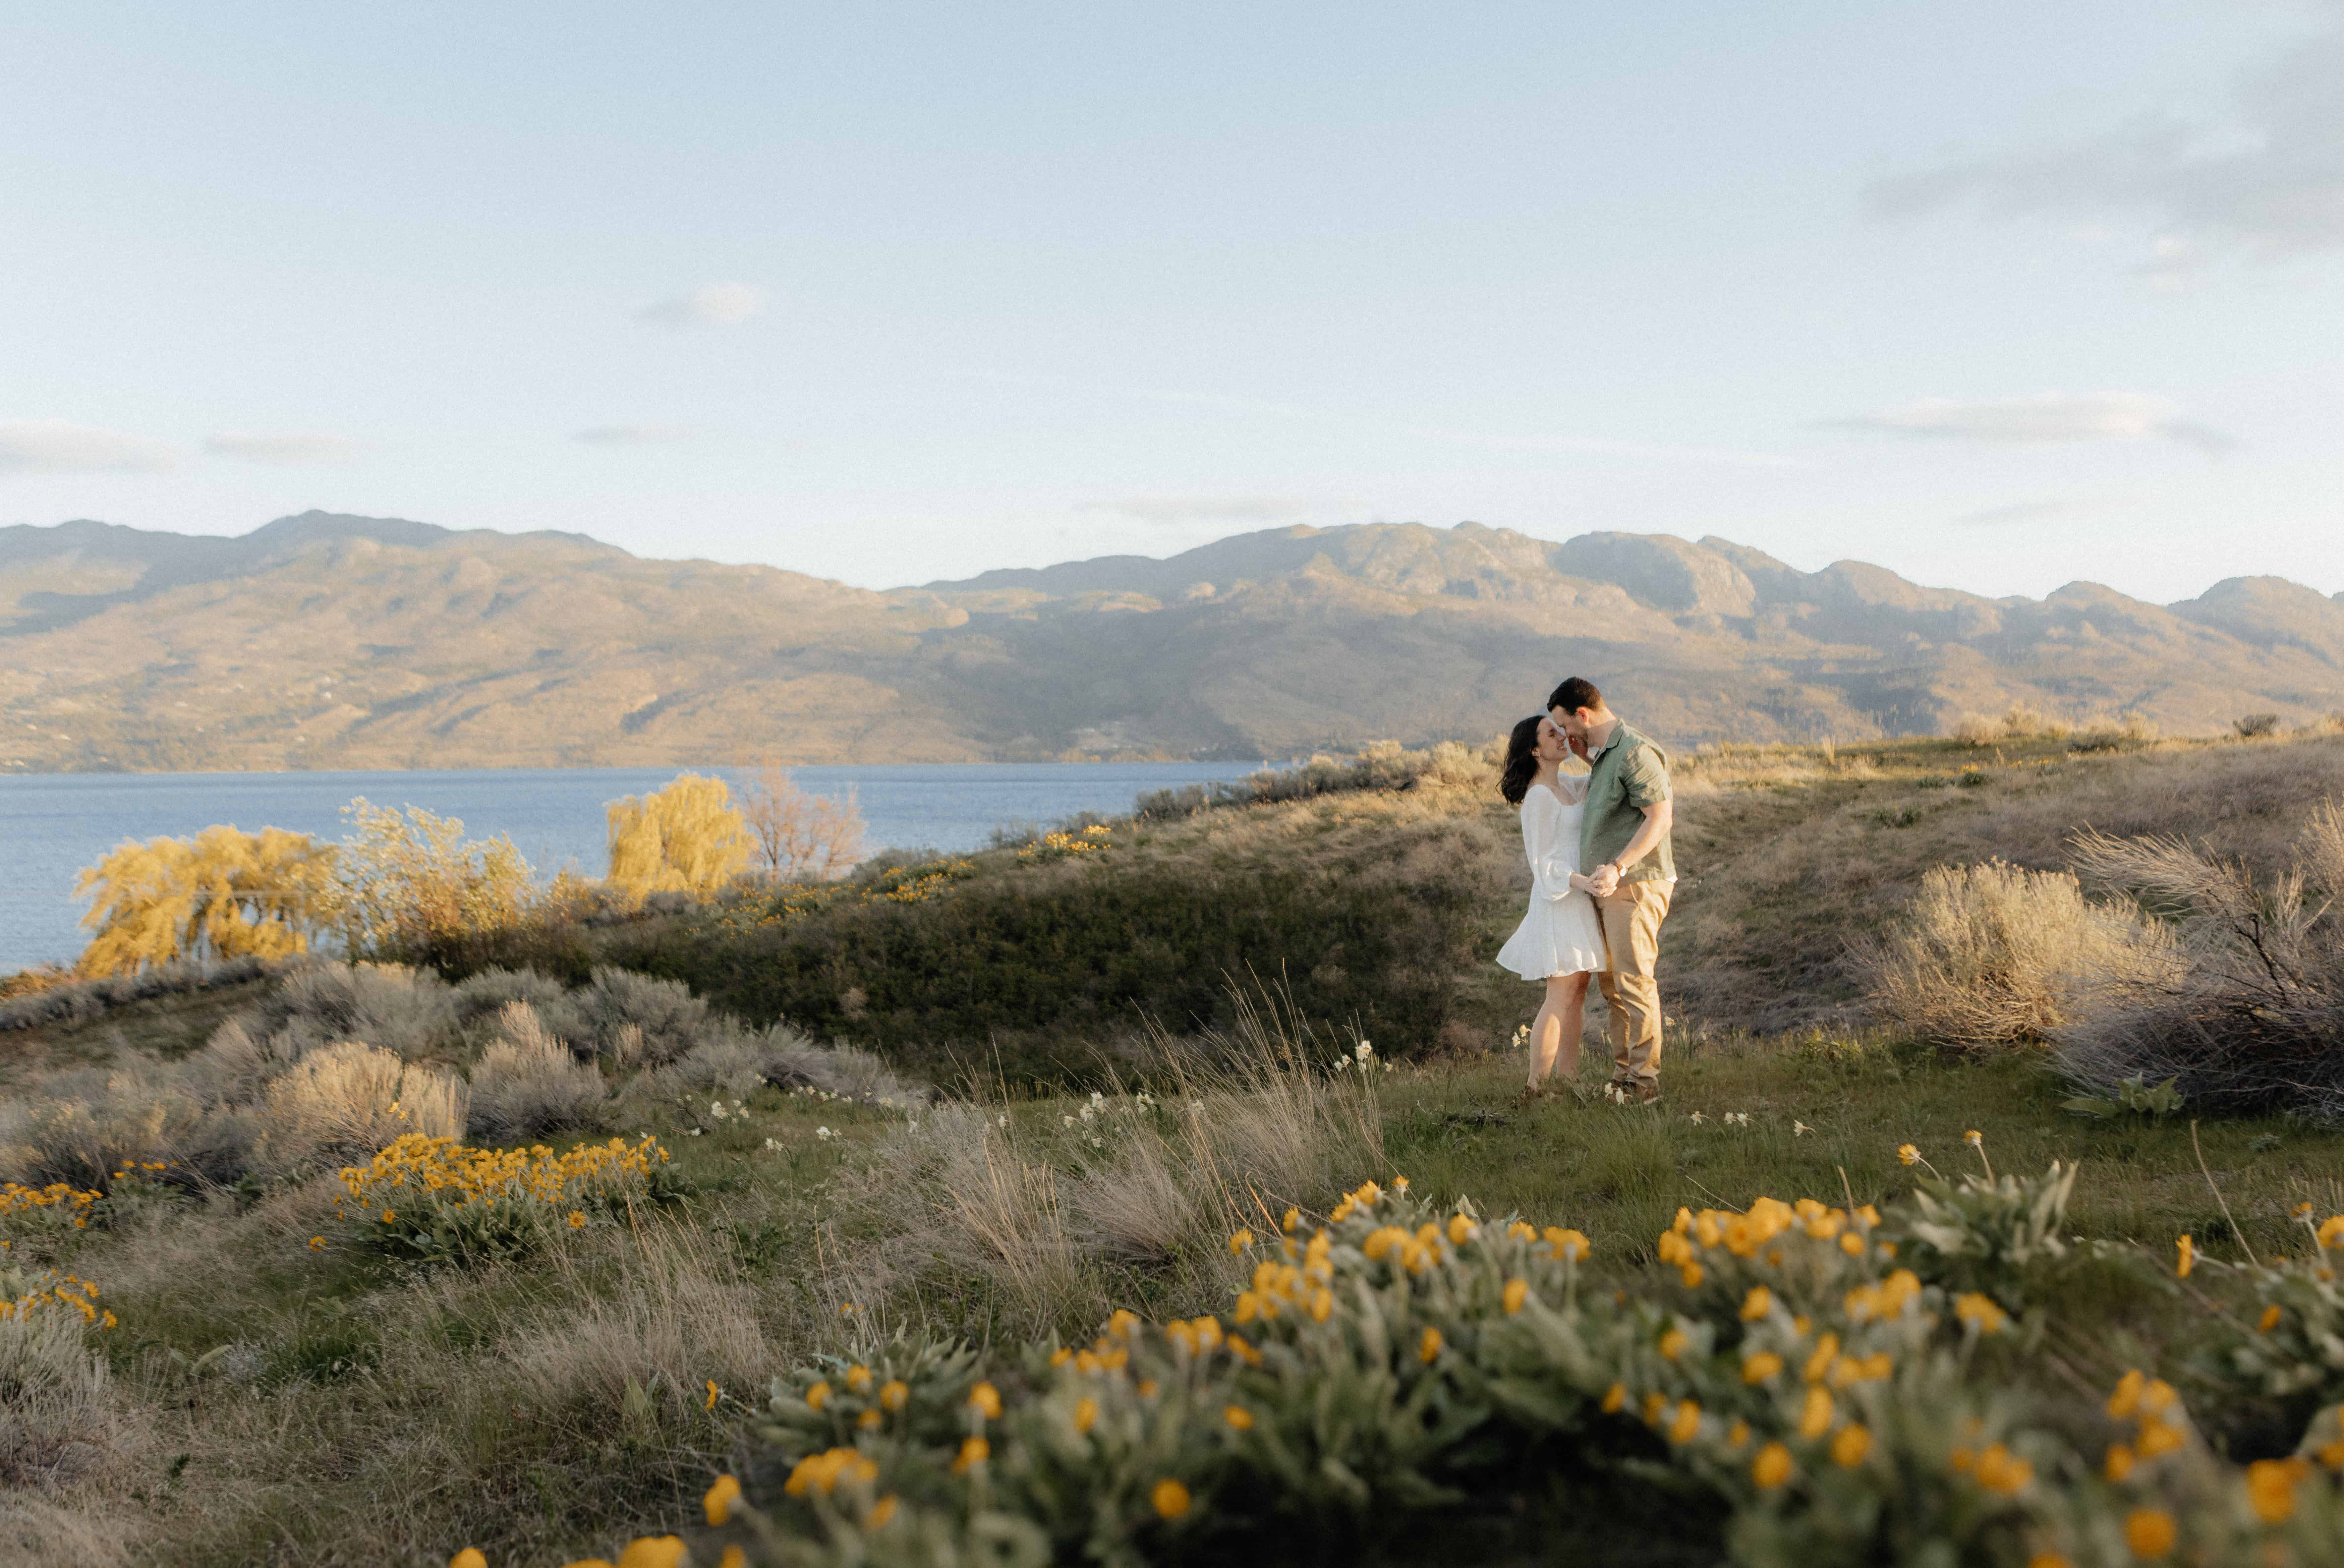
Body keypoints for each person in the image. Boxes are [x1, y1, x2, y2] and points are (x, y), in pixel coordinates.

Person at [1547, 677, 1675, 1105]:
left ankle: (1644, 1085)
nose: (1564, 736)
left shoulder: (1636, 752)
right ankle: (1625, 1079)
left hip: (1636, 885)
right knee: (1614, 987)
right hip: (1609, 888)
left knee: (1634, 982)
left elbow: (1659, 818)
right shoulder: (1605, 756)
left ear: (1582, 715)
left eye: (1564, 726)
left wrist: (1619, 867)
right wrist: (1585, 758)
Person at [1493, 714, 1608, 1092]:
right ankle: (1535, 1087)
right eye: (1551, 734)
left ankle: (1568, 1077)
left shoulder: (1568, 787)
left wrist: (1586, 756)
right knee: (1559, 995)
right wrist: (1582, 882)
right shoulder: (1539, 797)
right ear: (1535, 749)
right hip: (1559, 900)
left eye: (1561, 731)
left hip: (1579, 899)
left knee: (1578, 990)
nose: (1561, 737)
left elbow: (1601, 783)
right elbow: (1542, 864)